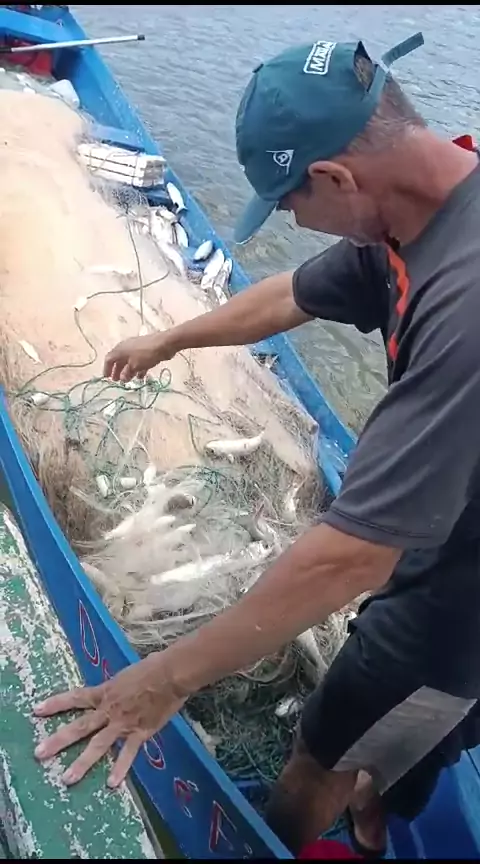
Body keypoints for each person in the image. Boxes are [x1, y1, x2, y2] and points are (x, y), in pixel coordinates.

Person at [33, 32, 480, 859]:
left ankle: (302, 829)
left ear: (336, 177)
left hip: (462, 590)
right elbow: (291, 296)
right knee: (402, 734)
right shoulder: (428, 208)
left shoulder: (466, 306)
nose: (291, 221)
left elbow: (352, 559)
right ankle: (378, 806)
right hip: (449, 514)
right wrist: (171, 339)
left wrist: (162, 682)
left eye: (285, 203)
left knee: (322, 745)